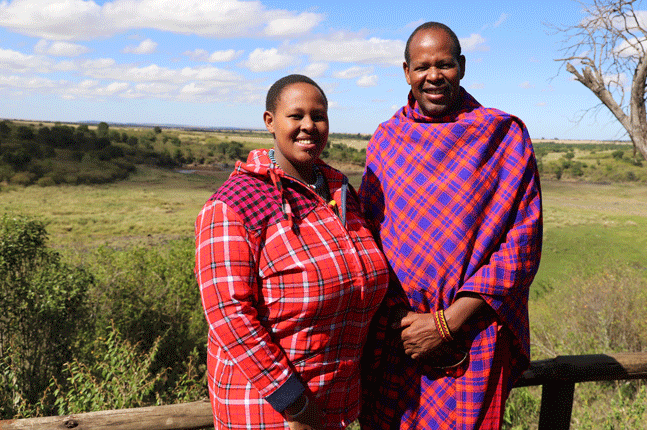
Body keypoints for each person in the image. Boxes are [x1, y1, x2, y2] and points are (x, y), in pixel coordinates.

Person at [358, 22, 543, 430]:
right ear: (406, 72)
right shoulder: (387, 140)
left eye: (445, 65)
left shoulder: (502, 136)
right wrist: (407, 324)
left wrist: (448, 322)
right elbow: (367, 236)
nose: (433, 76)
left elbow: (522, 243)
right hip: (399, 339)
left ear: (462, 66)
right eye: (422, 66)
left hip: (472, 336)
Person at [195, 74, 389, 430]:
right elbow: (230, 316)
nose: (309, 126)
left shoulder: (339, 191)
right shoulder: (233, 205)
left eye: (319, 116)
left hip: (337, 404)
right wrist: (294, 404)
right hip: (271, 410)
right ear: (269, 122)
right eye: (295, 116)